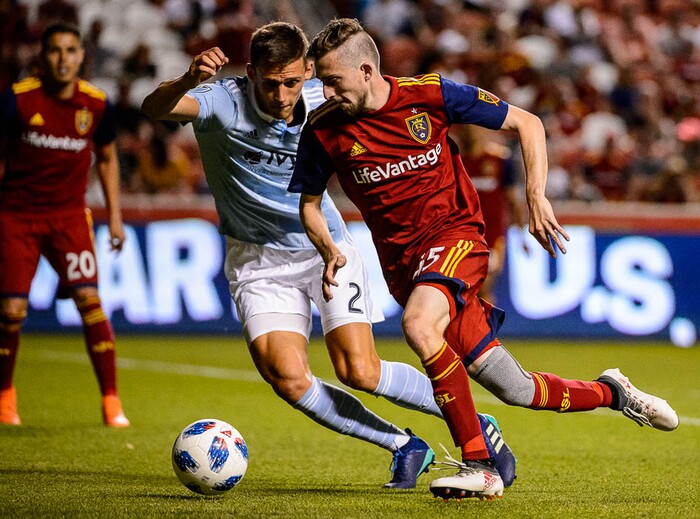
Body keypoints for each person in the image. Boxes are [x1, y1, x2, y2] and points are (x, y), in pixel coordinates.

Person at [289, 18, 679, 500]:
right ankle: (614, 393)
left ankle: (479, 464)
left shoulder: (430, 95)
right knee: (516, 389)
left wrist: (536, 195)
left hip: (456, 237)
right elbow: (308, 202)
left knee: (418, 326)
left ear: (367, 70)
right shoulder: (324, 128)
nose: (323, 90)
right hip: (403, 266)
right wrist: (327, 246)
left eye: (331, 80)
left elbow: (527, 123)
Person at [140, 22, 515, 489]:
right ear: (252, 73)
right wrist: (186, 80)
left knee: (360, 370)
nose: (281, 95)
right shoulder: (221, 100)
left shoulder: (329, 98)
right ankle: (403, 444)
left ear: (309, 72)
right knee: (289, 379)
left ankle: (474, 422)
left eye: (293, 82)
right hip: (258, 260)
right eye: (270, 83)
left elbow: (390, 114)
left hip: (327, 248)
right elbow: (154, 108)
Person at [0, 22, 129, 428]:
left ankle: (111, 401)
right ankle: (5, 395)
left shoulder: (97, 104)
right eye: (55, 50)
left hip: (70, 218)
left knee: (90, 302)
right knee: (11, 311)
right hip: (16, 216)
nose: (62, 58)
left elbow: (107, 158)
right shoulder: (17, 101)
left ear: (81, 56)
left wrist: (116, 217)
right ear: (42, 55)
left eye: (70, 50)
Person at [458, 124, 528, 303]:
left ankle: (487, 329)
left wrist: (521, 235)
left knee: (484, 284)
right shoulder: (455, 159)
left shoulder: (500, 160)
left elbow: (512, 200)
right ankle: (473, 329)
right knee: (466, 289)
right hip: (460, 236)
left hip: (492, 235)